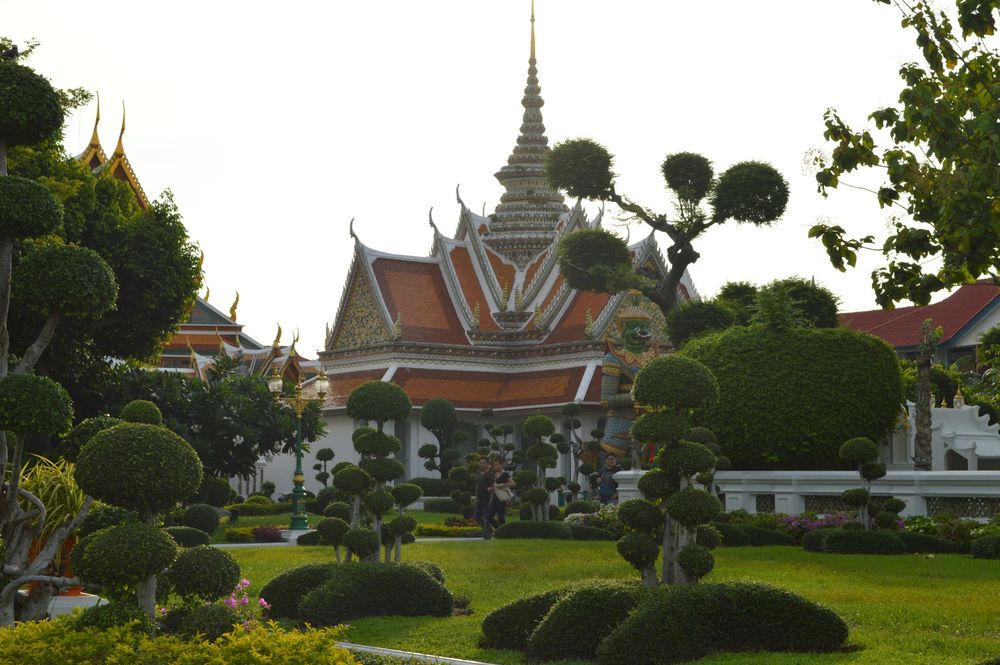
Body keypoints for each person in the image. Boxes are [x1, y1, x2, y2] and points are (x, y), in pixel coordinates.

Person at [473, 457, 495, 539]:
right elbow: (477, 485)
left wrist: (491, 499)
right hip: (479, 500)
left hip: (487, 500)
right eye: (480, 463)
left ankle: (487, 536)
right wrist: (476, 497)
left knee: (485, 518)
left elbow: (494, 485)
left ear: (488, 464)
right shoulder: (478, 473)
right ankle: (489, 530)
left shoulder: (490, 473)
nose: (481, 465)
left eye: (483, 463)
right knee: (476, 518)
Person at [488, 457, 514, 529]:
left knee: (501, 516)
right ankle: (499, 530)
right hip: (494, 498)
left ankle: (503, 532)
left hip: (501, 498)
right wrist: (491, 488)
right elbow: (495, 486)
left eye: (497, 465)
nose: (495, 467)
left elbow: (513, 484)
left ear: (501, 465)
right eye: (494, 465)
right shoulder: (495, 474)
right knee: (489, 516)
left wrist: (504, 485)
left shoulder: (505, 474)